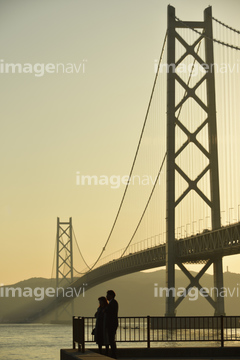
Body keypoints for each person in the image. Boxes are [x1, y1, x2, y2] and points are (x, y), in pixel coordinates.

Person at [105, 290, 118, 359]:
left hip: (112, 324)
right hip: (112, 324)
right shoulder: (112, 303)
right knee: (111, 339)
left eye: (107, 295)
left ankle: (114, 354)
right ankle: (113, 354)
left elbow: (111, 313)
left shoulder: (113, 303)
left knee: (111, 340)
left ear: (111, 295)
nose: (106, 296)